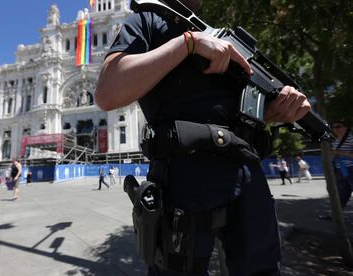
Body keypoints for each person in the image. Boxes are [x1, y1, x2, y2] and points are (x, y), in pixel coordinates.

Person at [95, 0, 311, 274]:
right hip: (184, 174)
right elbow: (107, 92)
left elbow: (238, 111)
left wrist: (274, 111)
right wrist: (188, 44)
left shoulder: (224, 31)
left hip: (246, 171)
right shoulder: (148, 19)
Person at [331, 120, 353, 209]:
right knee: (342, 193)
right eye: (334, 127)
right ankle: (336, 214)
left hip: (351, 169)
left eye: (338, 126)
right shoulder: (335, 140)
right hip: (339, 170)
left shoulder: (351, 139)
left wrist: (340, 152)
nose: (336, 129)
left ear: (345, 128)